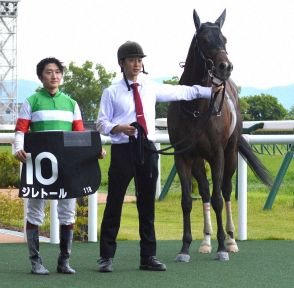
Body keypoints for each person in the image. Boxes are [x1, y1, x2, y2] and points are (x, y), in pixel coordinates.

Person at [96, 41, 223, 272]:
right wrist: (118, 128)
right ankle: (106, 257)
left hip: (148, 149)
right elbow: (101, 123)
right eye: (132, 60)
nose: (137, 64)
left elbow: (183, 91)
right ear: (121, 63)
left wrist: (209, 91)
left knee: (147, 205)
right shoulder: (111, 92)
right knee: (114, 203)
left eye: (139, 60)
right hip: (123, 150)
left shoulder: (150, 87)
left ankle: (148, 257)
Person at [14, 57, 85, 275]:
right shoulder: (31, 101)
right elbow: (21, 131)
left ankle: (64, 261)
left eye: (57, 72)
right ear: (41, 76)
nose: (54, 76)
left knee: (68, 213)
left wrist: (93, 152)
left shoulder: (72, 103)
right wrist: (18, 148)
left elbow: (80, 136)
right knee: (35, 213)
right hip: (37, 165)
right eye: (48, 72)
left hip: (66, 166)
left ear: (61, 76)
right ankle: (35, 262)